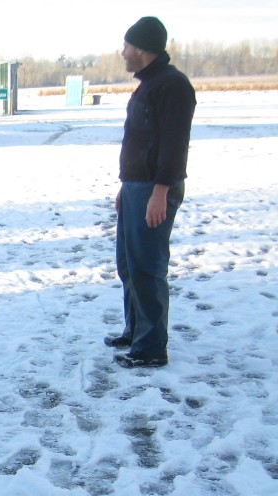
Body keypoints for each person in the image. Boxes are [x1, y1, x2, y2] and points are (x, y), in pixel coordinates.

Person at [107, 16, 196, 368]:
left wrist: (159, 190)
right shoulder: (149, 84)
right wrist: (126, 186)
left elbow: (175, 145)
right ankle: (136, 331)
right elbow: (141, 141)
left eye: (126, 46)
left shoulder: (172, 86)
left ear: (141, 49)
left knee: (147, 267)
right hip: (136, 187)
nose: (122, 52)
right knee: (128, 264)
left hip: (153, 189)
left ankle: (151, 348)